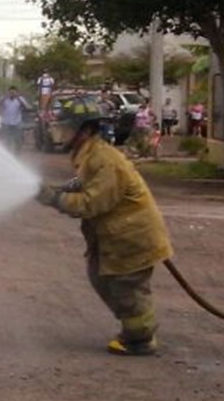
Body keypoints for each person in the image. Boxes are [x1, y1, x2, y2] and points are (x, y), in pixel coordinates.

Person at [35, 116, 172, 355]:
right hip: (115, 236)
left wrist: (53, 197)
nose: (59, 132)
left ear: (85, 131)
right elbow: (86, 180)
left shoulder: (105, 159)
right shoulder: (90, 153)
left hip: (131, 236)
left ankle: (140, 338)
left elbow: (90, 203)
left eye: (66, 127)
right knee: (100, 275)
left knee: (126, 287)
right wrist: (64, 188)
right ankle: (136, 329)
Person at [0, 86, 30, 153]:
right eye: (10, 92)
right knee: (7, 139)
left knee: (18, 139)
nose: (12, 93)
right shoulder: (4, 98)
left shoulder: (20, 99)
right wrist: (4, 97)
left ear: (17, 92)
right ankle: (7, 152)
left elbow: (27, 107)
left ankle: (17, 152)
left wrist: (19, 98)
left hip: (16, 123)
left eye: (13, 92)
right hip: (6, 122)